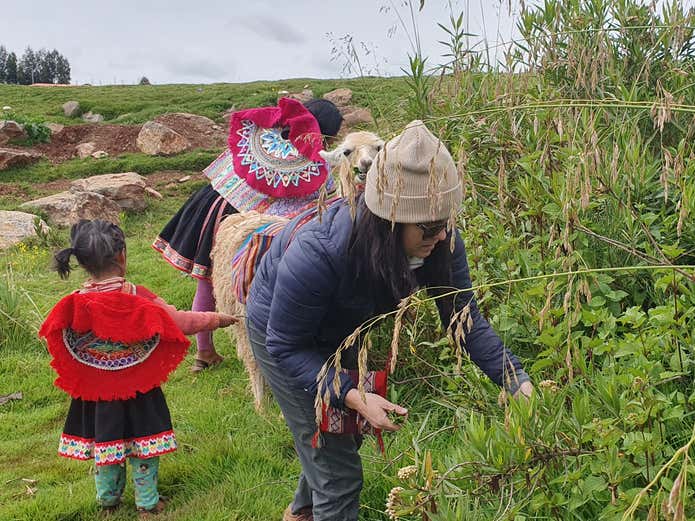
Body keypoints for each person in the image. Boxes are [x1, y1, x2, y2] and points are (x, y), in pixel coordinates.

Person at [245, 121, 533, 521]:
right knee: (341, 475)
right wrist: (354, 394)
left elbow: (463, 319)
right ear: (389, 222)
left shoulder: (440, 239)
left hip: (344, 329)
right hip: (283, 332)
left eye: (445, 223)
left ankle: (301, 514)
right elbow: (286, 346)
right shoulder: (321, 251)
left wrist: (515, 379)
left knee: (336, 438)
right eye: (429, 228)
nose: (441, 237)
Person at [39, 220, 237, 516]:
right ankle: (147, 503)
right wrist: (217, 319)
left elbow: (59, 338)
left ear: (80, 262)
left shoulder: (73, 305)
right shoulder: (139, 297)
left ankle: (108, 499)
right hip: (138, 388)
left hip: (96, 394)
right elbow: (180, 323)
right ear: (122, 256)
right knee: (144, 445)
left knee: (106, 447)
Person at [153, 98, 343, 373]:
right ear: (326, 133)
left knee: (206, 281)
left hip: (213, 201)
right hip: (236, 220)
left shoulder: (265, 136)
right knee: (241, 284)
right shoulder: (310, 164)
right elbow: (313, 203)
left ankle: (204, 352)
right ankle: (258, 349)